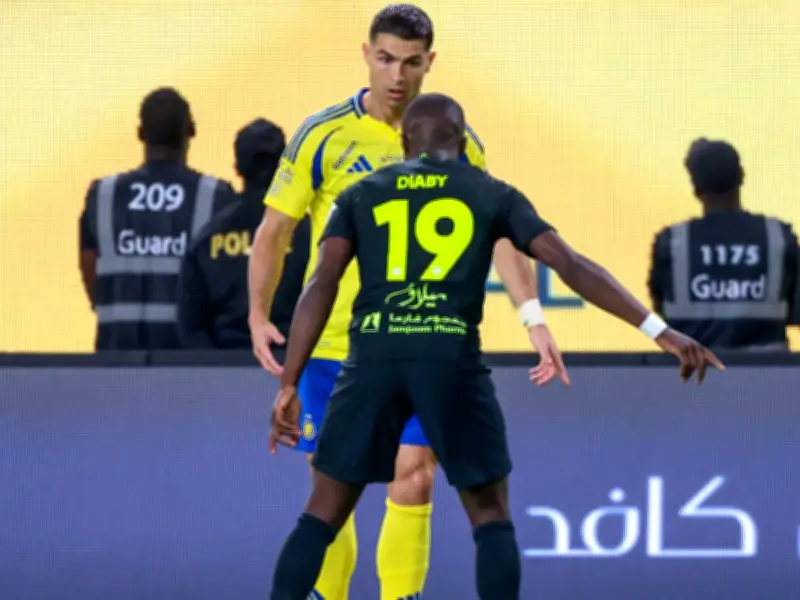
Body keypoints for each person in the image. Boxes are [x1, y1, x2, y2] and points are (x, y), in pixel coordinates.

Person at [267, 93, 725, 600]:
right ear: (462, 143)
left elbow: (321, 284)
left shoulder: (360, 194)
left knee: (323, 512)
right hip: (449, 362)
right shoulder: (492, 193)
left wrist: (289, 381)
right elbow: (571, 265)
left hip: (373, 358)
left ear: (403, 143)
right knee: (489, 515)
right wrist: (660, 331)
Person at [247, 5, 566, 600]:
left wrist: (532, 317)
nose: (397, 75)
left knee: (415, 477)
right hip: (335, 344)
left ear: (429, 63)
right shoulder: (323, 134)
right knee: (332, 493)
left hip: (422, 339)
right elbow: (275, 229)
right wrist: (258, 313)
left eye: (411, 62)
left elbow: (498, 232)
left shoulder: (457, 142)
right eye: (386, 58)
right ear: (366, 55)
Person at [79, 87, 234, 350]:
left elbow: (91, 274)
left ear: (141, 134)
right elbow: (227, 283)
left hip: (116, 357)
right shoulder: (215, 196)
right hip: (189, 361)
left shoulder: (102, 195)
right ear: (191, 130)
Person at [648, 138, 800, 350]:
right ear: (741, 176)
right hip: (766, 369)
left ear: (696, 187)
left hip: (694, 369)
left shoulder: (672, 242)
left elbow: (662, 309)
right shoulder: (778, 236)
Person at [177, 119, 310, 349]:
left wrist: (215, 365)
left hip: (226, 363)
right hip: (293, 363)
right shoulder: (311, 233)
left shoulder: (207, 237)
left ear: (237, 167)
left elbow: (191, 326)